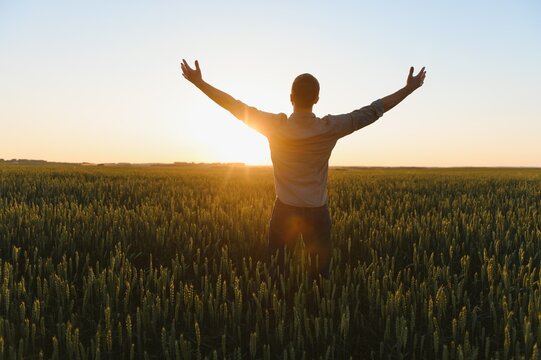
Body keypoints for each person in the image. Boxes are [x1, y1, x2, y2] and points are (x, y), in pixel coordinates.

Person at [181, 59, 426, 278]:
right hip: (317, 212)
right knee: (320, 276)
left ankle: (278, 320)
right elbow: (373, 110)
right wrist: (409, 88)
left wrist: (199, 83)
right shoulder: (331, 127)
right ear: (317, 99)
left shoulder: (274, 126)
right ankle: (317, 316)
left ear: (290, 97)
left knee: (277, 273)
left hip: (284, 210)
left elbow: (234, 106)